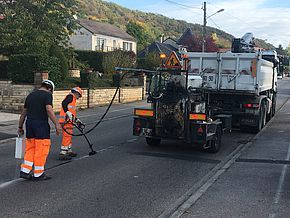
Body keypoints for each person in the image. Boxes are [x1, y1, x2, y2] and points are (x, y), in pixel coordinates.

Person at [18, 79, 61, 181]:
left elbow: (24, 113)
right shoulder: (47, 95)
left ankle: (25, 171)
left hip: (30, 124)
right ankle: (38, 173)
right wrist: (57, 124)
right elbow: (49, 109)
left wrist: (20, 127)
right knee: (41, 149)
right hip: (40, 125)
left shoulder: (30, 95)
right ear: (49, 88)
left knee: (30, 148)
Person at [58, 87, 83, 160]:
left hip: (68, 121)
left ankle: (69, 150)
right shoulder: (70, 96)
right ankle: (63, 153)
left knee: (69, 136)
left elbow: (71, 113)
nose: (78, 98)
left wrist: (77, 120)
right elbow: (64, 104)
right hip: (66, 121)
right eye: (79, 96)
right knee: (67, 136)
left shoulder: (72, 99)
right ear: (76, 93)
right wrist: (67, 112)